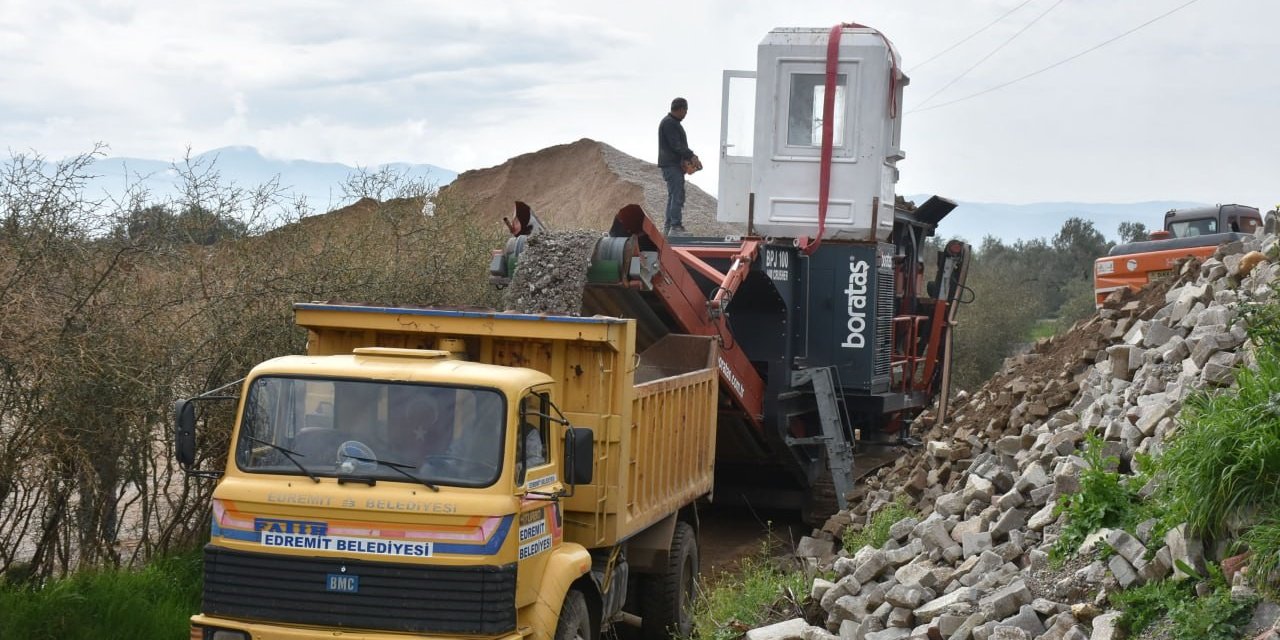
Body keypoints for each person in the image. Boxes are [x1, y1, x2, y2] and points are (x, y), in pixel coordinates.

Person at [658, 97, 699, 235]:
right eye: (686, 111)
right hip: (671, 165)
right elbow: (676, 145)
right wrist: (691, 156)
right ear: (681, 109)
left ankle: (669, 227)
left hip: (671, 165)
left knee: (673, 195)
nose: (686, 114)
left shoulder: (671, 122)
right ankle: (675, 227)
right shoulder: (670, 123)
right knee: (677, 195)